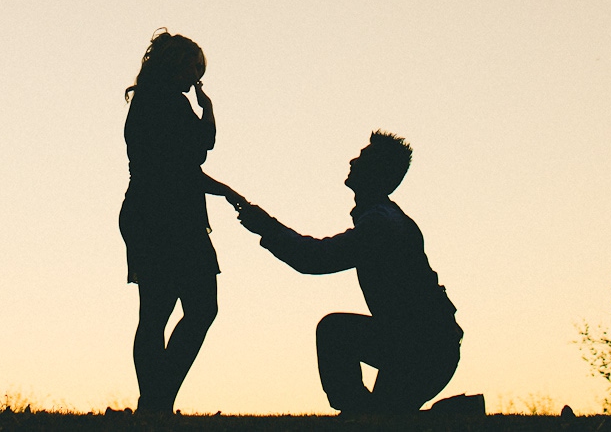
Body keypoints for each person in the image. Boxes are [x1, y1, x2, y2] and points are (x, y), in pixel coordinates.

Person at [233, 131, 462, 414]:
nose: (353, 161)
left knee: (334, 331)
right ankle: (457, 411)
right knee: (384, 416)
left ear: (378, 173)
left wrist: (267, 227)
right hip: (421, 344)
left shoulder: (381, 225)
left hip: (423, 348)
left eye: (364, 158)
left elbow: (314, 259)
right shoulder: (385, 219)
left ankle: (359, 411)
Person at [120, 30, 242, 413]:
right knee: (194, 308)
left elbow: (185, 161)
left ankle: (154, 403)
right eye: (194, 68)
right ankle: (157, 402)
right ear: (176, 64)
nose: (197, 76)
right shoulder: (168, 103)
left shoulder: (149, 101)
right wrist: (209, 109)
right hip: (167, 218)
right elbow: (199, 149)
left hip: (151, 213)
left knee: (156, 312)